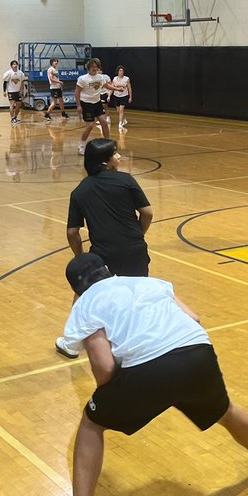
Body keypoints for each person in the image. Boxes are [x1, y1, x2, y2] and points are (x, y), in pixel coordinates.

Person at [46, 254, 248, 496]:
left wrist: (134, 381)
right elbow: (193, 318)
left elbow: (103, 369)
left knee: (92, 424)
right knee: (224, 410)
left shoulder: (85, 304)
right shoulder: (149, 282)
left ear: (76, 290)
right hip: (196, 353)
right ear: (108, 270)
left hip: (148, 370)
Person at [58, 138, 154, 358]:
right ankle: (142, 343)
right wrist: (137, 235)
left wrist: (81, 257)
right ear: (105, 162)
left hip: (103, 254)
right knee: (138, 294)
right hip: (134, 249)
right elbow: (147, 213)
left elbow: (72, 232)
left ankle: (71, 344)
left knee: (84, 293)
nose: (119, 157)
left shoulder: (79, 192)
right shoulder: (126, 180)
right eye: (115, 154)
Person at [76, 58, 112, 155]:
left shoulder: (100, 77)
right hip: (86, 104)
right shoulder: (82, 79)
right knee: (90, 126)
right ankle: (82, 146)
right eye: (92, 67)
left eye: (96, 67)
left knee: (104, 122)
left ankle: (108, 144)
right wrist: (78, 105)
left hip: (97, 103)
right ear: (89, 68)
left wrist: (117, 89)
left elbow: (107, 86)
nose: (95, 68)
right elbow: (77, 92)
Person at [4, 60, 27, 125]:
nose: (15, 65)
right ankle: (12, 118)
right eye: (14, 64)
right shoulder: (8, 73)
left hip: (18, 91)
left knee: (18, 104)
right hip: (11, 91)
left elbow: (22, 82)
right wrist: (4, 91)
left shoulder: (20, 73)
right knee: (11, 104)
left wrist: (22, 90)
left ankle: (15, 117)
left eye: (16, 64)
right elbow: (5, 82)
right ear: (11, 66)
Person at [109, 65, 132, 130]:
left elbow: (129, 88)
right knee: (118, 110)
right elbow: (112, 88)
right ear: (118, 72)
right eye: (120, 71)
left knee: (121, 110)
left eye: (122, 71)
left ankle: (120, 123)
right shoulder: (115, 79)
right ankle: (124, 120)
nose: (121, 72)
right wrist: (109, 96)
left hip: (124, 96)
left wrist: (130, 97)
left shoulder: (126, 79)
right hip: (116, 96)